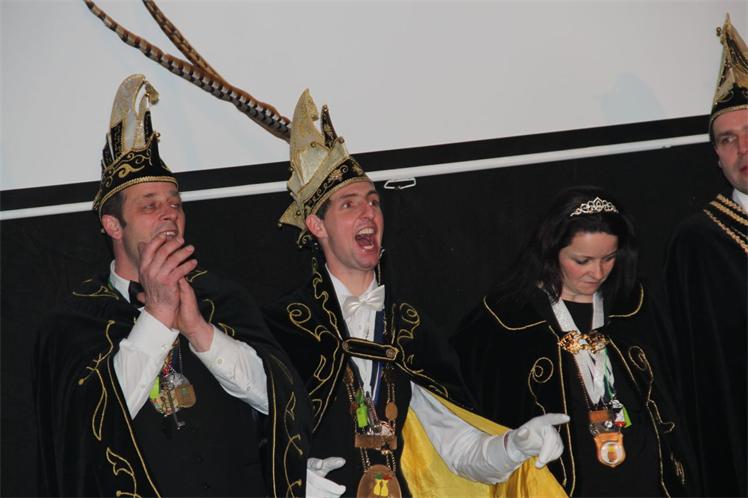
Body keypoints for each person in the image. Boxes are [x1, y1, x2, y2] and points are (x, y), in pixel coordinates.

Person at [262, 89, 570, 498]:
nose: (369, 212)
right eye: (349, 205)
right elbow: (250, 432)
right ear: (317, 226)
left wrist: (514, 445)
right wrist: (291, 472)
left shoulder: (409, 330)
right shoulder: (287, 327)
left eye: (373, 202)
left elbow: (459, 448)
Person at [33, 74, 311, 497]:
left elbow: (281, 403)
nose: (169, 214)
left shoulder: (222, 299)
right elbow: (85, 433)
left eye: (175, 205)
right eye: (149, 206)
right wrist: (158, 318)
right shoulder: (73, 323)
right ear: (113, 225)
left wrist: (201, 331)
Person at [452, 186, 697, 497]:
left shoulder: (636, 307)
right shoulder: (504, 322)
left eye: (609, 258)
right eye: (582, 260)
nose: (597, 272)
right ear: (550, 251)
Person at [664, 14, 747, 497]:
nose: (743, 149)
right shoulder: (698, 243)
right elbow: (700, 380)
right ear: (716, 155)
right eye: (727, 139)